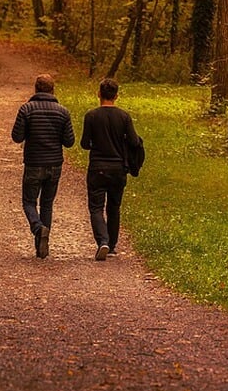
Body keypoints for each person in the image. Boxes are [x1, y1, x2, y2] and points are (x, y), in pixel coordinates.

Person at [11, 74, 75, 259]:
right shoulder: (63, 112)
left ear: (36, 89)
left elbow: (17, 137)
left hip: (33, 163)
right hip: (54, 164)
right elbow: (69, 141)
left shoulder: (27, 109)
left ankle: (38, 228)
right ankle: (41, 246)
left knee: (29, 202)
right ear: (53, 90)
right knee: (47, 204)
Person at [81, 78, 141, 261]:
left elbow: (84, 144)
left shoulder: (91, 116)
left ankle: (103, 241)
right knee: (114, 207)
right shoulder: (124, 117)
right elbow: (134, 141)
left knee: (96, 207)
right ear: (116, 96)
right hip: (118, 168)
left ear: (99, 94)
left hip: (97, 168)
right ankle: (112, 246)